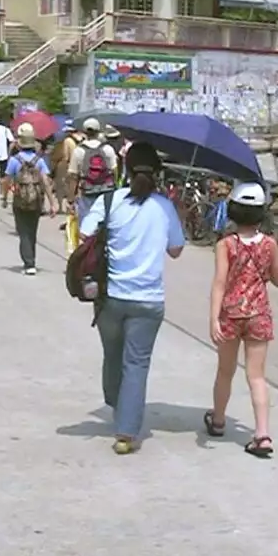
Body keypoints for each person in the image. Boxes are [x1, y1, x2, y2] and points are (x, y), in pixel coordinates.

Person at [80, 141, 184, 455]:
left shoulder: (110, 201)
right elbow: (176, 250)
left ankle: (118, 403)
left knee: (113, 356)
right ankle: (126, 432)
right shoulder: (164, 207)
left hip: (110, 297)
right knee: (136, 364)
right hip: (148, 300)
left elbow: (86, 234)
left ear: (125, 169)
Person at [205, 181, 278, 456]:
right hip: (259, 314)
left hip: (230, 314)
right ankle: (262, 435)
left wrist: (214, 318)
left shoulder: (226, 244)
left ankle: (218, 420)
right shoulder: (270, 244)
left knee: (225, 371)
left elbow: (219, 282)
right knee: (257, 376)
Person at [2, 123, 56, 274]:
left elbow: (6, 180)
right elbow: (46, 182)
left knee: (23, 232)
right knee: (32, 231)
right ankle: (31, 260)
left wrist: (5, 198)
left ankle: (29, 263)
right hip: (36, 201)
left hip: (20, 200)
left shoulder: (14, 160)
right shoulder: (39, 161)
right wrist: (52, 203)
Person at [69, 118, 119, 215]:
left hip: (87, 191)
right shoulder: (108, 149)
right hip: (106, 191)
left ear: (84, 132)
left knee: (86, 221)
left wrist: (71, 198)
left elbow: (73, 176)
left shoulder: (78, 151)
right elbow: (115, 171)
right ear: (99, 131)